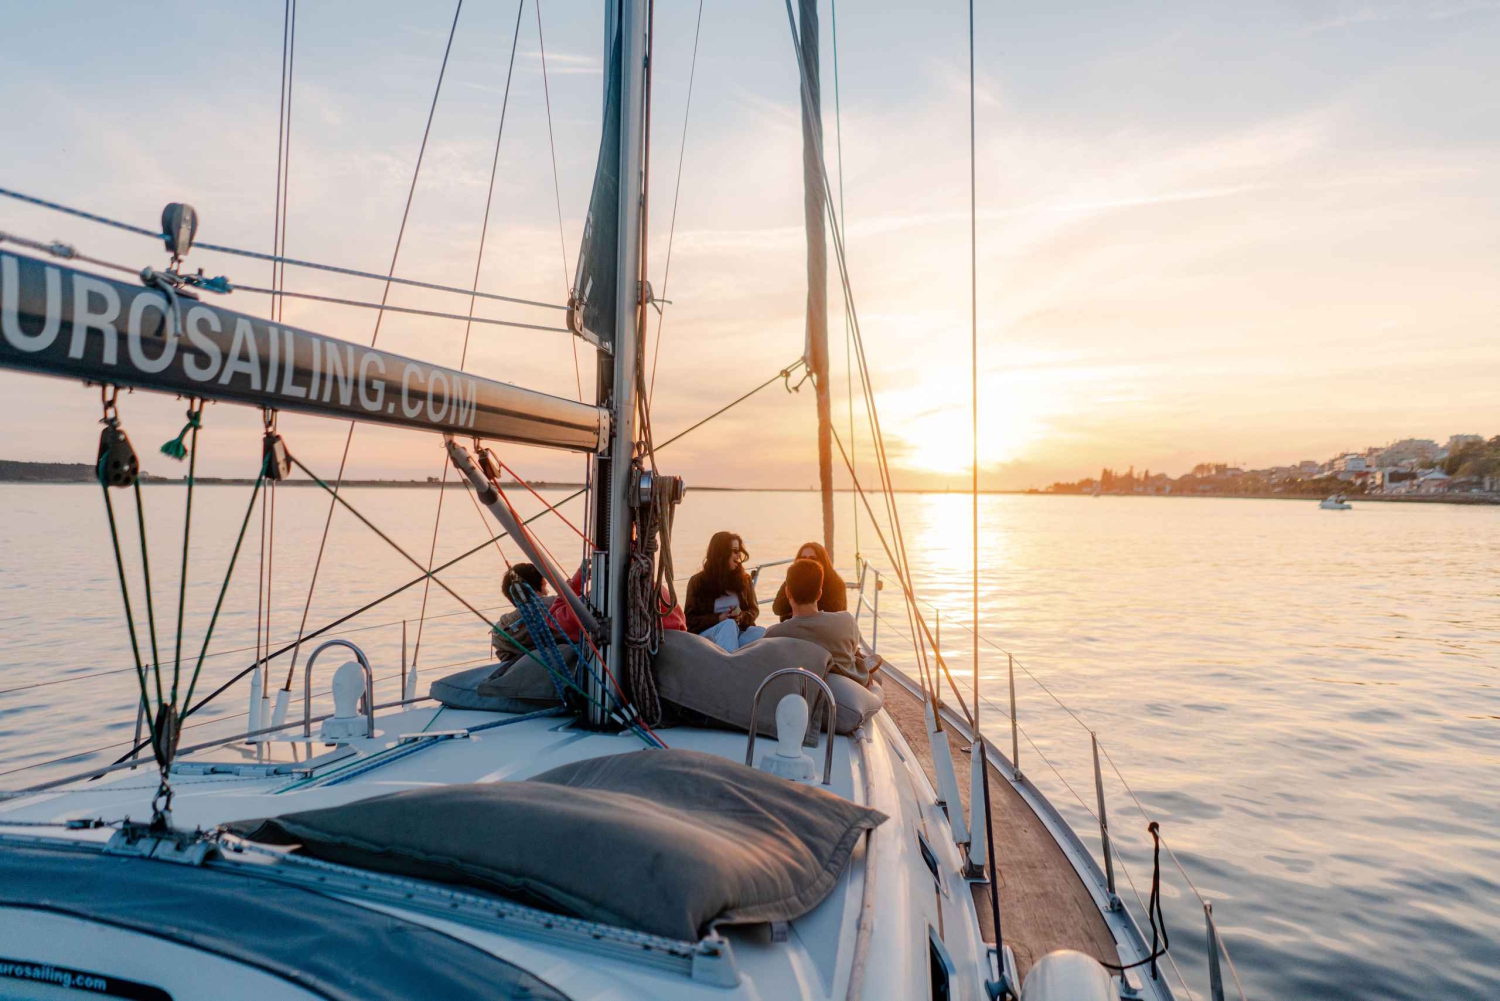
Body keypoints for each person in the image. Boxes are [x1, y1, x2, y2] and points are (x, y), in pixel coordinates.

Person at [765, 558, 870, 685]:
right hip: (849, 692)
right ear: (819, 594)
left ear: (787, 593)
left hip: (803, 694)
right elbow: (852, 653)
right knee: (876, 680)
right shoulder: (846, 622)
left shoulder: (773, 634)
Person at [683, 531, 764, 651]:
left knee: (760, 633)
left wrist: (741, 615)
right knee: (728, 625)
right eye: (735, 551)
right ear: (722, 553)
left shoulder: (744, 580)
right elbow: (689, 620)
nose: (738, 556)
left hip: (738, 631)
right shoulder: (698, 582)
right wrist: (719, 618)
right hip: (708, 636)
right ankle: (730, 667)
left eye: (739, 551)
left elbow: (753, 610)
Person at [770, 540, 847, 621]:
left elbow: (832, 614)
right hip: (793, 628)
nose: (807, 562)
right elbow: (777, 608)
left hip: (823, 629)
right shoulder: (792, 579)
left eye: (813, 558)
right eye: (803, 558)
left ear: (822, 560)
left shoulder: (835, 584)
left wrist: (796, 607)